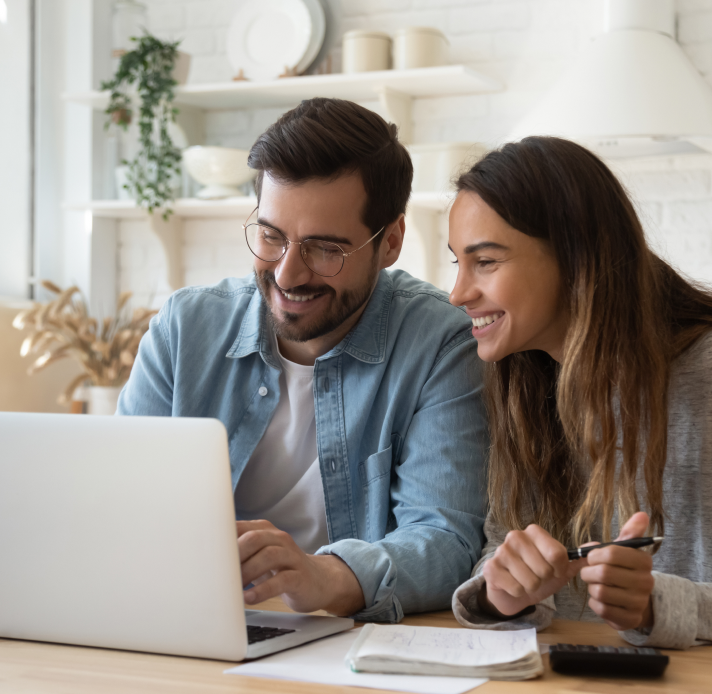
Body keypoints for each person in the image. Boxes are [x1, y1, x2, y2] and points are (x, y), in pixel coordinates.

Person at [118, 98, 488, 623]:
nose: (288, 274)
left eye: (325, 248)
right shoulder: (184, 329)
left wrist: (324, 577)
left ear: (391, 242)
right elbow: (119, 505)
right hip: (188, 622)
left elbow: (445, 541)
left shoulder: (441, 346)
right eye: (271, 236)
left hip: (345, 642)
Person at [448, 136, 712, 649]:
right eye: (458, 261)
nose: (458, 293)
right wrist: (504, 593)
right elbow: (503, 544)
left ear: (575, 259)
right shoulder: (523, 378)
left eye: (485, 262)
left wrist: (658, 603)